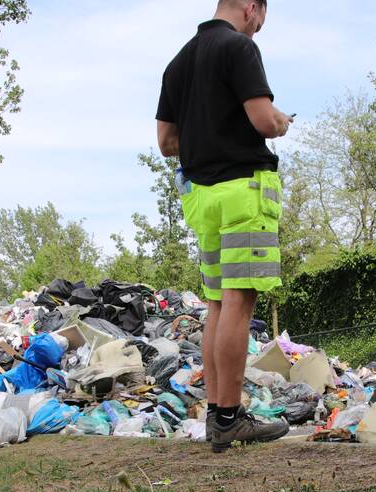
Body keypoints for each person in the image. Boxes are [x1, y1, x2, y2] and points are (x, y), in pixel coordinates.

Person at [156, 0, 293, 452]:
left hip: (201, 197)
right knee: (239, 299)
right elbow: (263, 121)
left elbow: (166, 142)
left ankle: (218, 415)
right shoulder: (239, 48)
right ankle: (231, 419)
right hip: (242, 191)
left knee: (217, 302)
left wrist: (206, 134)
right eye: (261, 21)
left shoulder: (178, 61)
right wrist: (280, 122)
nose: (257, 30)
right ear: (252, 7)